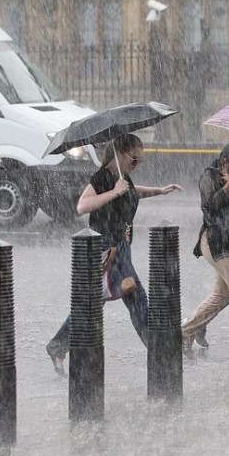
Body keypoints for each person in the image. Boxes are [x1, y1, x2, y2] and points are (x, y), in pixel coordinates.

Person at [45, 134, 182, 376]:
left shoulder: (122, 177)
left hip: (121, 246)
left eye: (141, 160)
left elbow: (132, 191)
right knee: (136, 296)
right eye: (134, 158)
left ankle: (57, 346)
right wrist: (114, 193)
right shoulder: (101, 178)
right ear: (119, 154)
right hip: (107, 248)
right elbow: (82, 206)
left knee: (92, 303)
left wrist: (159, 191)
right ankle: (158, 350)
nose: (137, 163)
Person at [181, 143, 229, 362]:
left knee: (221, 296)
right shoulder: (209, 176)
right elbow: (209, 206)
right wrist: (226, 188)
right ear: (226, 162)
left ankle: (184, 333)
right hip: (216, 242)